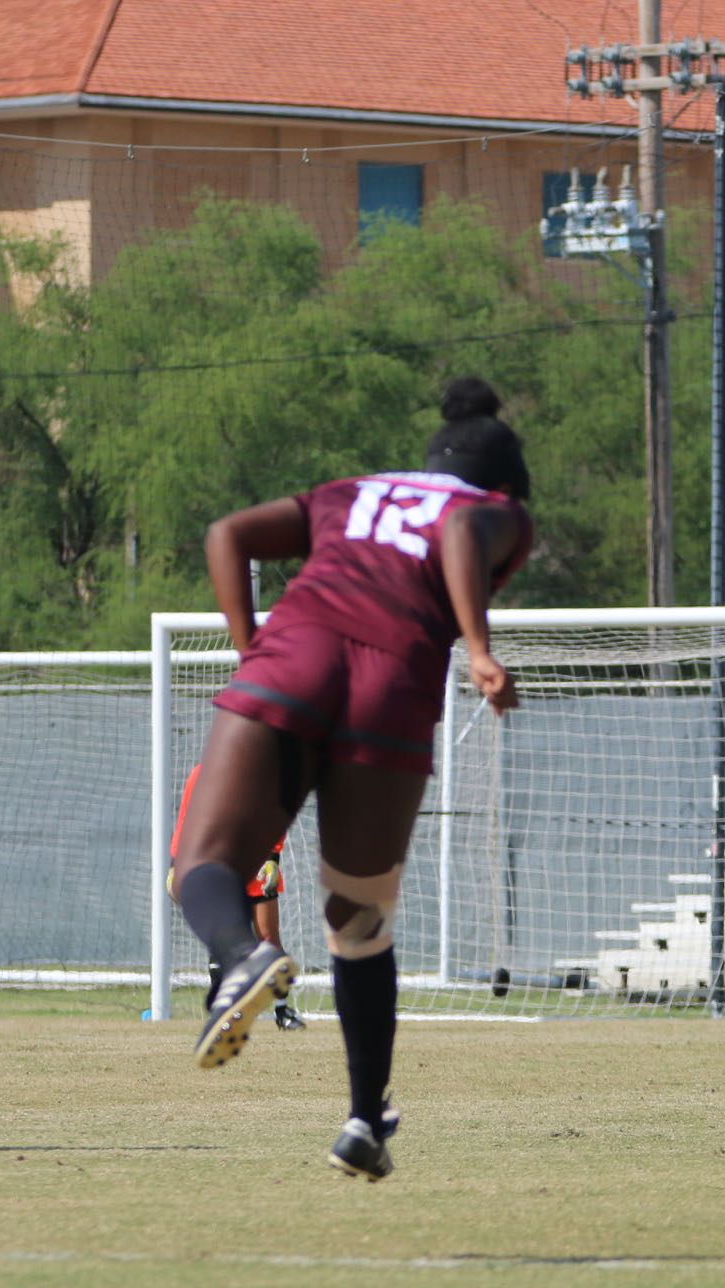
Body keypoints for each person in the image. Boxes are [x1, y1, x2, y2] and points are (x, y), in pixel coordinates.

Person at [171, 378, 531, 1180]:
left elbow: (226, 533)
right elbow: (467, 528)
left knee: (204, 864)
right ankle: (365, 1120)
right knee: (358, 918)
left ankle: (241, 956)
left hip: (291, 658)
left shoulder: (352, 492)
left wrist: (251, 651)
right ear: (505, 481)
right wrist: (477, 648)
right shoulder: (493, 505)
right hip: (391, 683)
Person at [168, 763, 301, 1030]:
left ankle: (282, 1011)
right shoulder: (201, 773)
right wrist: (175, 862)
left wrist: (273, 857)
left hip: (258, 862)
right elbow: (186, 819)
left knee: (268, 939)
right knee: (221, 940)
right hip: (218, 863)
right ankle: (225, 1013)